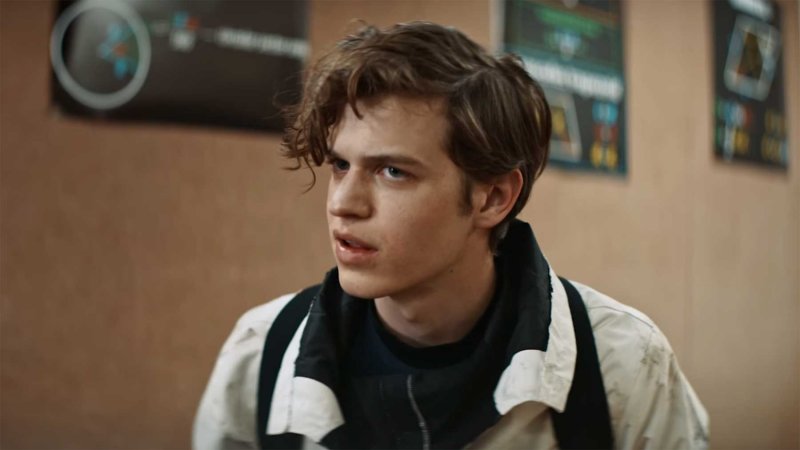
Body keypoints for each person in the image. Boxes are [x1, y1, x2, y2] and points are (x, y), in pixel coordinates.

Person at [193, 21, 709, 450]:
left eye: (393, 172)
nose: (343, 204)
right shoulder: (262, 352)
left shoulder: (622, 363)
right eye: (340, 165)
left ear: (493, 197)